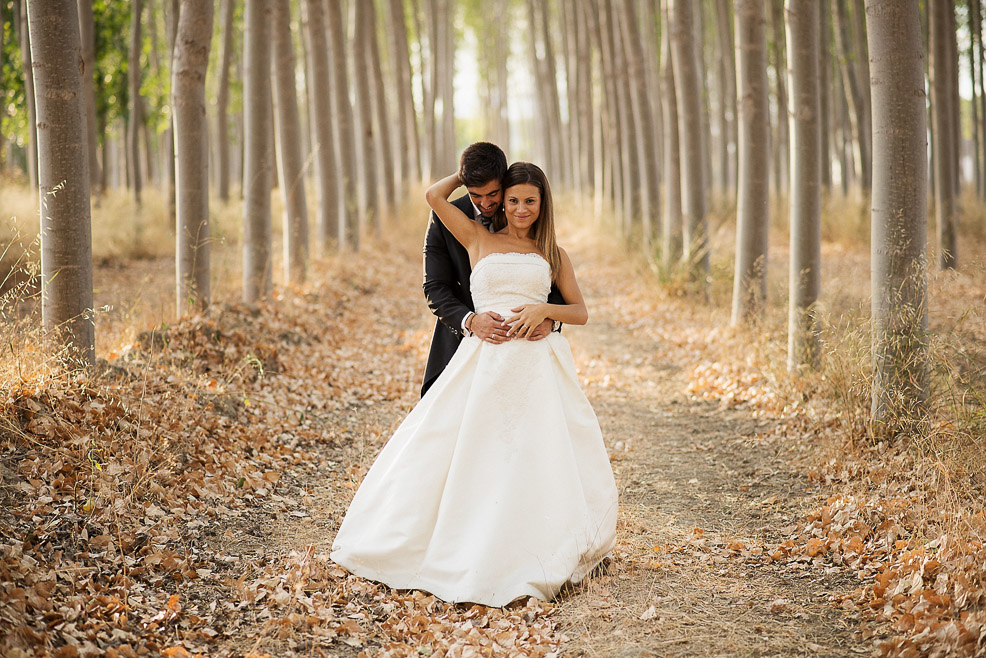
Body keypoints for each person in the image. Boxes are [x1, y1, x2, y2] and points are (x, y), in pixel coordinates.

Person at [330, 161, 618, 607]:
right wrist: (468, 173)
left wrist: (546, 313)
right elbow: (433, 197)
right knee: (466, 447)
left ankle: (536, 543)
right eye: (513, 199)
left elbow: (580, 311)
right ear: (501, 199)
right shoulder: (478, 237)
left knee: (534, 451)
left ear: (543, 205)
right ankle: (453, 542)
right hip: (483, 359)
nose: (521, 208)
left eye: (530, 201)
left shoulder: (554, 254)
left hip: (534, 366)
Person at [420, 142, 566, 396]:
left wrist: (550, 319)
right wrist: (472, 321)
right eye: (476, 195)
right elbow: (435, 286)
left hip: (528, 346)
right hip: (463, 339)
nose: (485, 203)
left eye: (493, 194)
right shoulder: (447, 217)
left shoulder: (522, 211)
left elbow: (546, 275)